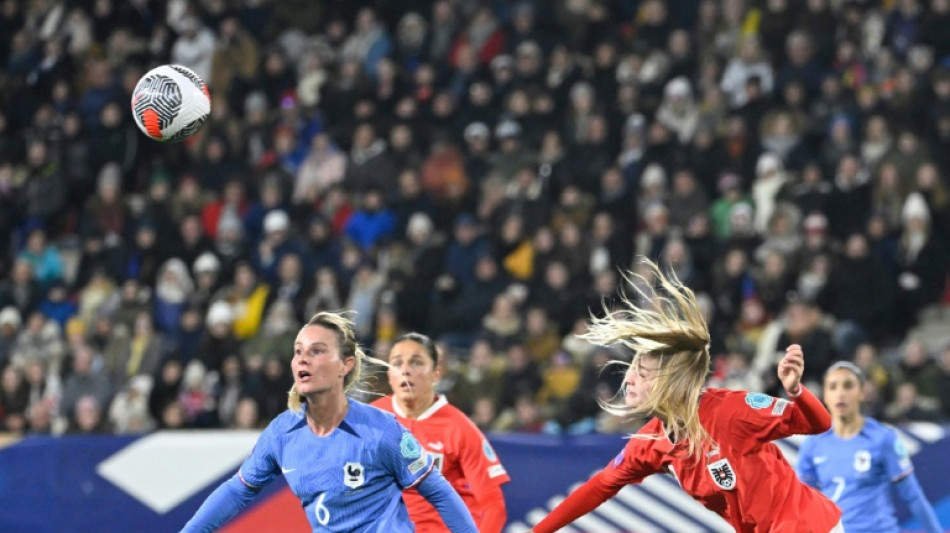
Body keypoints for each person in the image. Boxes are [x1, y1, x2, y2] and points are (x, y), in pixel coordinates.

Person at [527, 259, 842, 533]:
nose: (630, 378)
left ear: (671, 379)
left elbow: (818, 423)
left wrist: (796, 391)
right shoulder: (652, 442)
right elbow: (600, 486)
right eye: (633, 367)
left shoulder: (730, 410)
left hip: (809, 525)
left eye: (643, 371)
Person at [181, 311, 478, 533]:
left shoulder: (381, 430)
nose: (302, 360)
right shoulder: (282, 433)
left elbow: (438, 492)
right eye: (298, 352)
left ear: (345, 365)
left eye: (317, 351)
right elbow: (237, 490)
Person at [372, 332, 510, 533]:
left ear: (436, 373)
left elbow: (493, 506)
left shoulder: (459, 428)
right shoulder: (370, 419)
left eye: (416, 363)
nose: (405, 371)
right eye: (397, 363)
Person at [797, 361, 942, 533]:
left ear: (862, 393)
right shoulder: (813, 444)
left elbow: (913, 496)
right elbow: (802, 504)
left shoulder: (882, 438)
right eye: (833, 387)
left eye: (848, 386)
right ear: (825, 395)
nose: (840, 394)